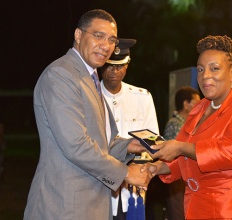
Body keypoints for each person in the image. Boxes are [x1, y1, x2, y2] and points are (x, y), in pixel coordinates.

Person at [24, 9, 152, 220]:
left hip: (89, 205)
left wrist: (128, 146)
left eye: (111, 40)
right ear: (78, 35)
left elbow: (101, 140)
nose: (106, 46)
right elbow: (76, 144)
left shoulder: (90, 76)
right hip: (64, 205)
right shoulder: (61, 74)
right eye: (98, 36)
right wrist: (127, 173)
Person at [143, 35, 232, 219]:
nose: (205, 76)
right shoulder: (199, 108)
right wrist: (156, 168)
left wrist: (179, 147)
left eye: (214, 69)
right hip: (199, 207)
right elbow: (184, 155)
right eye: (201, 69)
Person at [99, 38, 159, 219]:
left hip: (132, 191)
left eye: (119, 66)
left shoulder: (142, 97)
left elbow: (152, 144)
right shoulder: (91, 97)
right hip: (100, 188)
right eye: (109, 66)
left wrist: (138, 171)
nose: (114, 71)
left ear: (127, 65)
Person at [163, 86, 200, 220]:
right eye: (196, 102)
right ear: (186, 104)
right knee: (178, 214)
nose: (199, 106)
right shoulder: (176, 124)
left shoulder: (185, 124)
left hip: (184, 178)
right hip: (177, 178)